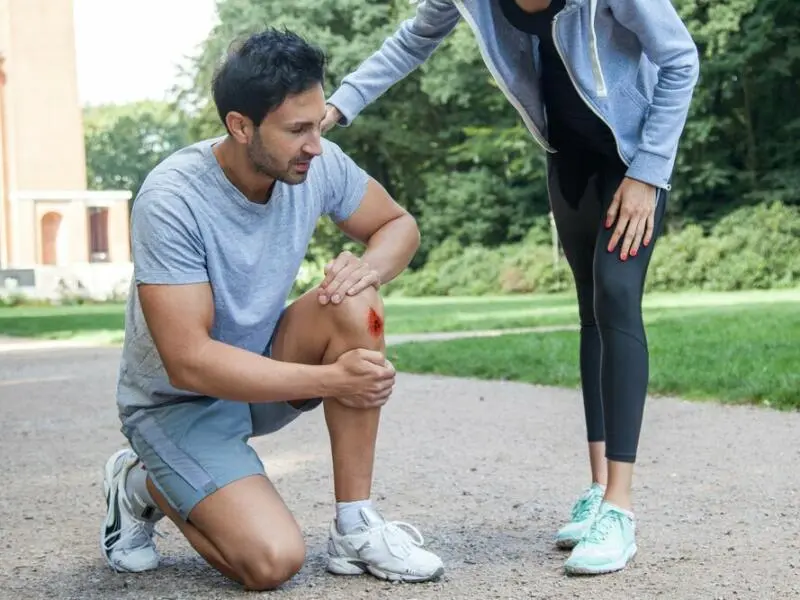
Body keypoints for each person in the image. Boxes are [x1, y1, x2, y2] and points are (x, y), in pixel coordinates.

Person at [322, 0, 699, 575]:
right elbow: (412, 40)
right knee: (592, 311)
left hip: (633, 157)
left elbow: (679, 59)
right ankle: (599, 492)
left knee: (618, 295)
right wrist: (336, 107)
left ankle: (620, 510)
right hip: (567, 158)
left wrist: (648, 171)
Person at [99, 28, 445, 591]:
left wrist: (370, 269)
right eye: (297, 129)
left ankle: (355, 526)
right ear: (240, 126)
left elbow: (397, 224)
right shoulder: (172, 199)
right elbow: (189, 361)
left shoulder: (317, 163)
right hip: (177, 403)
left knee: (354, 296)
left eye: (317, 124)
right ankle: (139, 483)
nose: (315, 143)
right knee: (271, 563)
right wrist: (333, 380)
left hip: (263, 367)